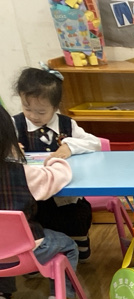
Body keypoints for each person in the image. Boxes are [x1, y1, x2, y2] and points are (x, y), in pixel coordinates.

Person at [0, 104, 81, 299]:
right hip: (29, 253)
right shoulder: (22, 173)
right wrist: (55, 159)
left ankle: (3, 294)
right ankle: (60, 297)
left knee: (3, 248)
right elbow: (59, 176)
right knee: (68, 246)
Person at [14, 65, 100, 260]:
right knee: (37, 223)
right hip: (34, 195)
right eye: (27, 108)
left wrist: (70, 146)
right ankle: (40, 258)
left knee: (76, 219)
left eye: (41, 111)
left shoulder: (67, 124)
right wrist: (10, 148)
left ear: (55, 107)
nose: (33, 116)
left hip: (66, 195)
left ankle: (78, 249)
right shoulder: (15, 124)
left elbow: (94, 143)